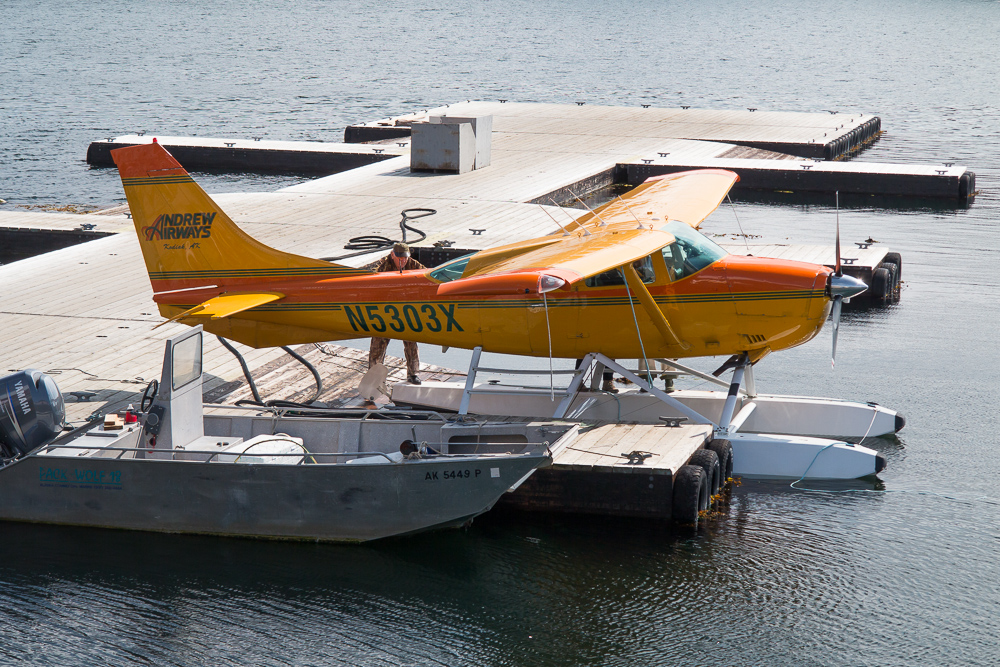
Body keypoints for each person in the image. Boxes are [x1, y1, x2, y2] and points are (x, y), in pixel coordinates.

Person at [366, 243, 425, 384]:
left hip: (406, 311)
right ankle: (373, 376)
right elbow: (372, 281)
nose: (403, 261)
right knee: (377, 345)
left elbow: (426, 277)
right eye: (399, 258)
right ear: (392, 255)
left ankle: (413, 374)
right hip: (385, 312)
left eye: (405, 258)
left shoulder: (414, 265)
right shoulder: (382, 266)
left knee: (411, 343)